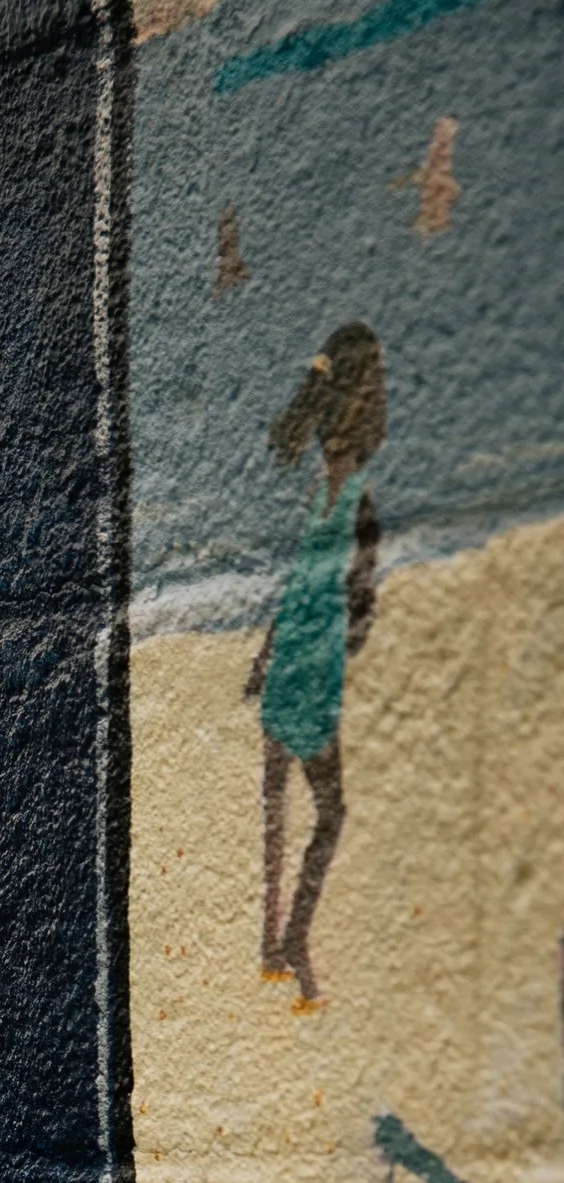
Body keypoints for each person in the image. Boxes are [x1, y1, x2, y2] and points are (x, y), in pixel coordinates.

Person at [249, 321, 385, 1010]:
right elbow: (356, 605)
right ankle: (294, 938)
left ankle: (273, 942)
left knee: (277, 807)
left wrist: (264, 656)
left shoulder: (320, 493)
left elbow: (303, 584)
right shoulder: (354, 495)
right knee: (329, 812)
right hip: (312, 671)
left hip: (286, 669)